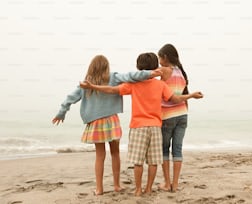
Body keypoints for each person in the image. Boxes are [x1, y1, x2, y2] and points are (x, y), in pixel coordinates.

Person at [79, 52, 203, 196]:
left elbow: (111, 90)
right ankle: (149, 188)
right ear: (155, 67)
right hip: (156, 127)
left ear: (138, 67)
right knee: (153, 161)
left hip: (138, 126)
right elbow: (175, 99)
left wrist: (93, 86)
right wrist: (191, 95)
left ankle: (138, 189)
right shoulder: (160, 85)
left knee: (138, 162)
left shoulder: (134, 84)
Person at [52, 54, 161, 196]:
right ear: (106, 67)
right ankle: (116, 185)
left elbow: (69, 98)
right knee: (115, 153)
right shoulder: (113, 77)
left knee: (100, 156)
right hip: (111, 121)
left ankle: (99, 188)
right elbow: (132, 75)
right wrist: (150, 73)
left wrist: (61, 113)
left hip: (96, 123)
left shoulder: (86, 84)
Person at [157, 43, 192, 192]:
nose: (159, 61)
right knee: (177, 149)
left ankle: (167, 183)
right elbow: (184, 94)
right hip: (183, 114)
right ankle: (175, 185)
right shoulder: (181, 72)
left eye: (159, 58)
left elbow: (147, 76)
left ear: (165, 57)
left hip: (167, 115)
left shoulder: (165, 70)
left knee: (164, 149)